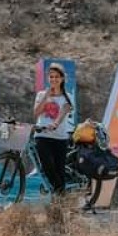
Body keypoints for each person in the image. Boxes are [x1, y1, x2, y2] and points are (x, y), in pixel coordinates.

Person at [34, 63, 73, 195]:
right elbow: (36, 113)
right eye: (51, 77)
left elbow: (63, 112)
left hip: (60, 138)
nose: (54, 80)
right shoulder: (41, 95)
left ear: (62, 79)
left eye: (57, 77)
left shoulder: (67, 96)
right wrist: (46, 96)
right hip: (42, 136)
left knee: (59, 171)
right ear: (48, 78)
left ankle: (59, 205)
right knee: (47, 166)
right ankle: (60, 195)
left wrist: (55, 123)